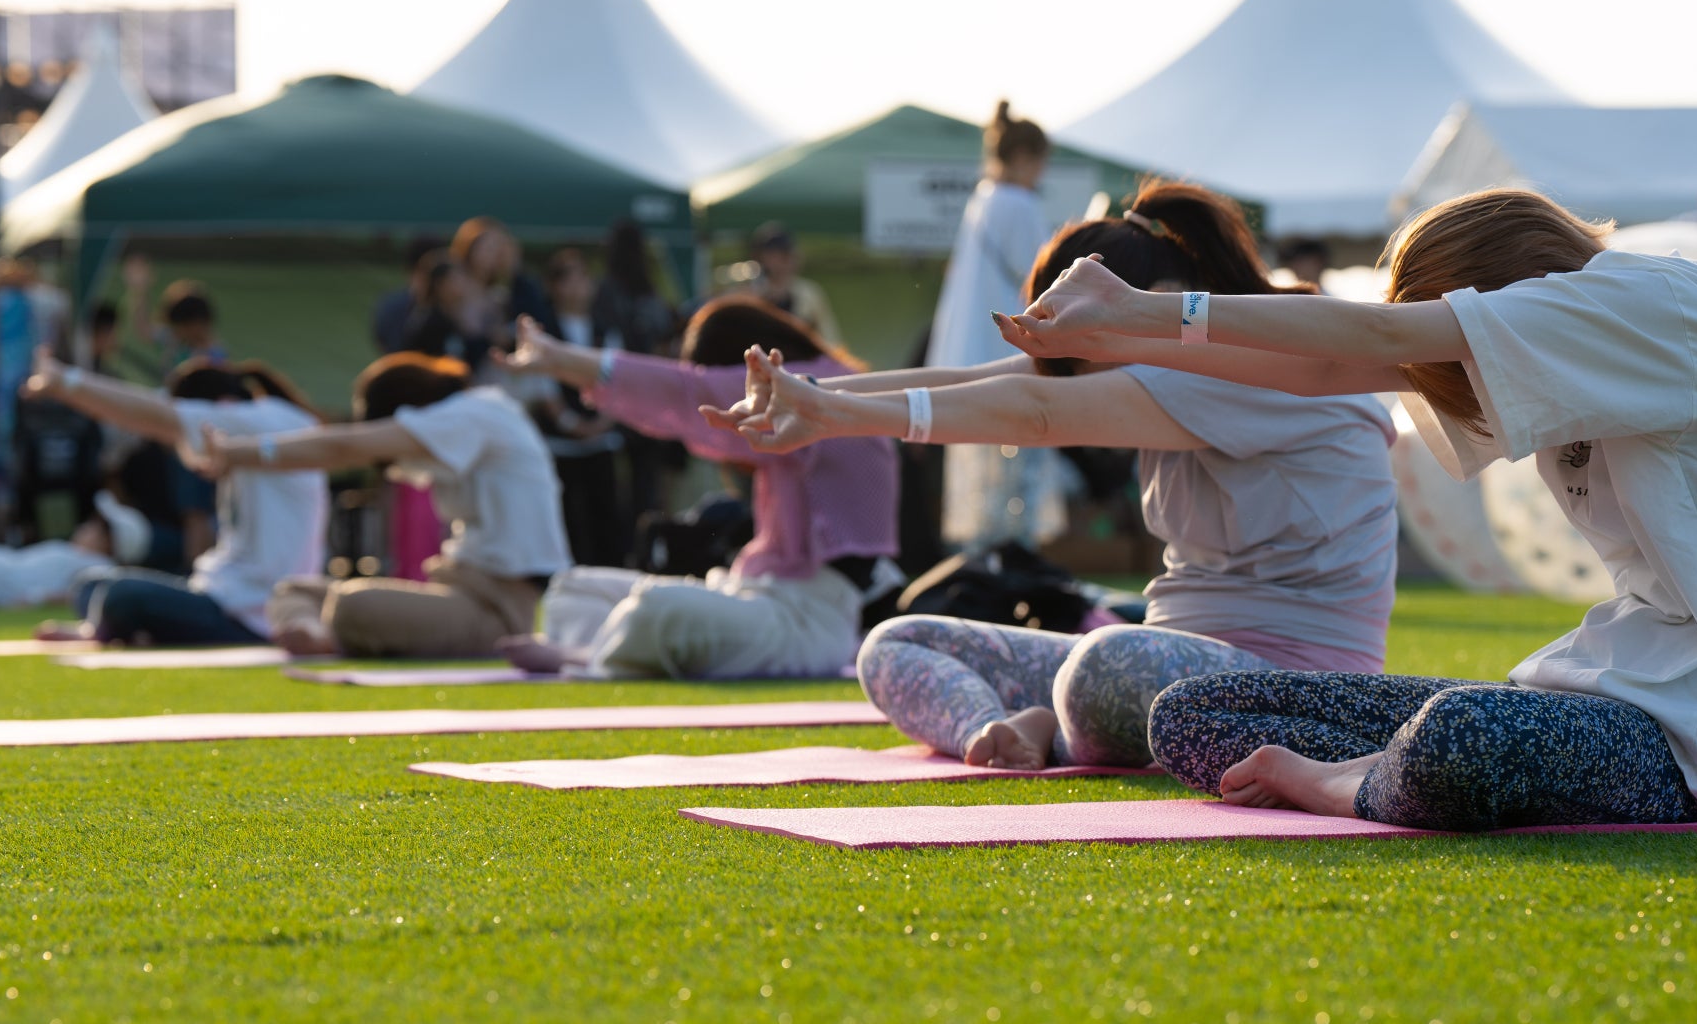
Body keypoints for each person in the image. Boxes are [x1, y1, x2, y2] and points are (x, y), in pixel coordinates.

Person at [996, 187, 1697, 830]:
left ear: (1505, 288)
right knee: (1191, 712)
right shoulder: (1590, 336)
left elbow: (1377, 339)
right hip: (1600, 694)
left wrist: (1140, 309)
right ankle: (1384, 770)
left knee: (1460, 735)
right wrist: (1121, 340)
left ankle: (1352, 782)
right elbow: (1329, 369)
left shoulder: (1649, 303)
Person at [719, 181, 1398, 768]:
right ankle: (993, 734)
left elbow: (1037, 411)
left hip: (1300, 686)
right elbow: (981, 381)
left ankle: (1053, 731)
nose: (1080, 380)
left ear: (1155, 300)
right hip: (1162, 662)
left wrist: (838, 414)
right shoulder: (1175, 351)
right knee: (897, 643)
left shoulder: (1258, 365)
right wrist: (816, 398)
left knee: (1104, 666)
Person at [498, 297, 897, 680]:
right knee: (571, 590)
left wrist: (560, 359)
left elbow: (687, 393)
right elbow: (689, 392)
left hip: (807, 622)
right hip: (749, 593)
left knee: (657, 609)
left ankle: (586, 656)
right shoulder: (814, 388)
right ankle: (609, 647)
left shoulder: (818, 396)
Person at [192, 352, 570, 659]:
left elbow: (344, 446)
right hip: (458, 590)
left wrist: (236, 453)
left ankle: (330, 632)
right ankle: (313, 632)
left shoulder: (475, 414)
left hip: (498, 611)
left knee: (354, 606)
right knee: (291, 591)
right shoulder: (471, 416)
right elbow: (345, 446)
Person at [20, 352, 328, 646]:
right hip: (221, 595)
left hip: (252, 613)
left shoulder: (254, 421)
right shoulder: (261, 423)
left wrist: (67, 382)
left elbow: (152, 414)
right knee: (89, 584)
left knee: (120, 596)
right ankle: (127, 628)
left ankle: (107, 630)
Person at [926, 101, 1066, 552]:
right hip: (1006, 349)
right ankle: (1012, 558)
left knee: (981, 477)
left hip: (972, 352)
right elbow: (1040, 277)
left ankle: (980, 558)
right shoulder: (1018, 203)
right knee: (1015, 473)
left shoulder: (984, 197)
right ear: (1024, 158)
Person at [534, 248, 626, 567]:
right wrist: (573, 424)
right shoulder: (544, 333)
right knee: (568, 521)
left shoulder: (605, 329)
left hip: (601, 442)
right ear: (553, 286)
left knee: (606, 519)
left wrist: (600, 423)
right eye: (567, 280)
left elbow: (616, 380)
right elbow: (544, 388)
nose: (576, 288)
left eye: (582, 279)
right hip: (560, 445)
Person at [591, 217, 681, 522]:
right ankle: (649, 528)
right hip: (653, 388)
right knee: (648, 477)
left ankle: (633, 533)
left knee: (623, 479)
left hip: (619, 388)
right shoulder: (651, 289)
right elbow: (665, 332)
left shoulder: (607, 291)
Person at [0, 492, 151, 608]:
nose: (86, 527)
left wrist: (35, 599)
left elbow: (84, 594)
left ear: (109, 541)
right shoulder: (84, 559)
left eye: (96, 526)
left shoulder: (98, 566)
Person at [727, 224, 841, 346]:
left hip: (796, 354)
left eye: (785, 255)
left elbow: (831, 342)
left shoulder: (809, 293)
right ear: (759, 257)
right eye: (774, 255)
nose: (782, 261)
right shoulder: (744, 291)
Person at [453, 217, 554, 341]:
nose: (496, 255)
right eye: (488, 247)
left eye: (498, 248)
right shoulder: (454, 286)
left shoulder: (504, 290)